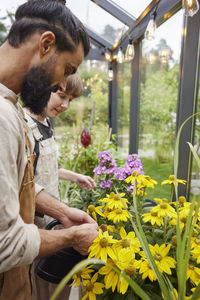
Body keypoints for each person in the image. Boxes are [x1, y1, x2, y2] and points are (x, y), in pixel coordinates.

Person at [0, 1, 99, 300]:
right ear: (46, 44)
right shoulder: (3, 117)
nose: (60, 83)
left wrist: (64, 213)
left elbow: (23, 183)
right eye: (67, 69)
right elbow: (5, 244)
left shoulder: (11, 107)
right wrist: (71, 236)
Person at [24, 73, 95, 300]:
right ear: (41, 88)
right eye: (61, 95)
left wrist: (74, 176)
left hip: (52, 217)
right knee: (40, 284)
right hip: (33, 223)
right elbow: (23, 182)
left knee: (57, 281)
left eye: (70, 100)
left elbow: (43, 168)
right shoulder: (23, 126)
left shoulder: (46, 122)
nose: (65, 105)